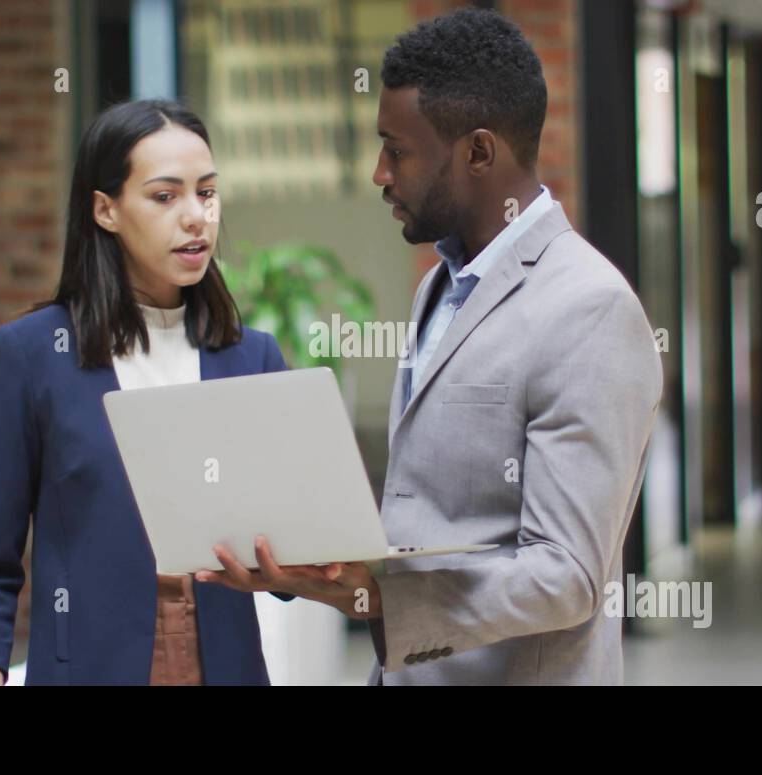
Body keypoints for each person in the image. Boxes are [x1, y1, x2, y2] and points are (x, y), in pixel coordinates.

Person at [196, 8, 663, 686]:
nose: (379, 173)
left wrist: (380, 599)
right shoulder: (439, 288)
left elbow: (567, 575)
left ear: (477, 152)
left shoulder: (590, 309)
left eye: (398, 150)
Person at [0, 99, 291, 686]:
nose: (196, 217)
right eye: (165, 196)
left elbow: (292, 558)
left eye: (206, 193)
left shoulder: (253, 358)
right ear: (105, 210)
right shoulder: (31, 356)